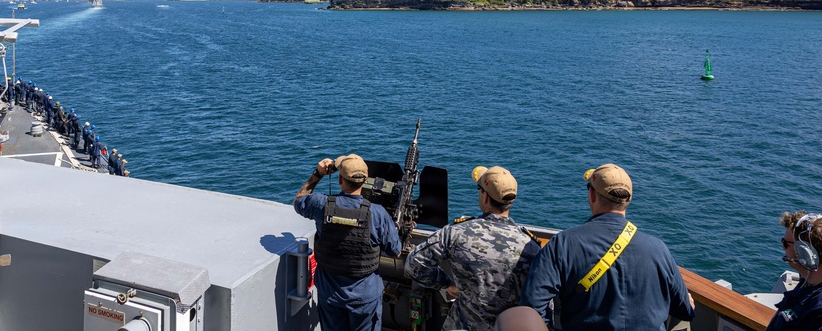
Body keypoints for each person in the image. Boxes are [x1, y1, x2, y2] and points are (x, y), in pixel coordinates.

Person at [520, 163, 695, 331]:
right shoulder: (658, 249)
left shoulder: (563, 244)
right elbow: (686, 311)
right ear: (629, 199)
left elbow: (531, 306)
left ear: (592, 196)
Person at [405, 165, 541, 330]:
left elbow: (415, 264)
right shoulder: (531, 246)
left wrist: (446, 284)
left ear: (485, 197)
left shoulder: (455, 233)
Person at [293, 154, 402, 331]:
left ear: (339, 180)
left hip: (330, 294)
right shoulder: (378, 213)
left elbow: (299, 201)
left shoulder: (321, 204)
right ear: (365, 180)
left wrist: (318, 174)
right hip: (365, 297)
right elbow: (395, 251)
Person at [767, 210, 822, 331]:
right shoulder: (807, 282)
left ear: (806, 252)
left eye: (786, 243)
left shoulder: (818, 309)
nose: (783, 247)